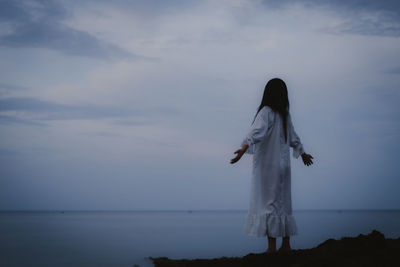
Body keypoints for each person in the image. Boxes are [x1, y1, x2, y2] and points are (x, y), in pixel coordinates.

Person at [230, 78, 313, 254]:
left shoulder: (266, 112)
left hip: (268, 168)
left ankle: (272, 248)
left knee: (269, 204)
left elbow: (256, 131)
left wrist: (243, 148)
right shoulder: (284, 115)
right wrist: (303, 153)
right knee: (284, 203)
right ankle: (286, 245)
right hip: (284, 168)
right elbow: (294, 138)